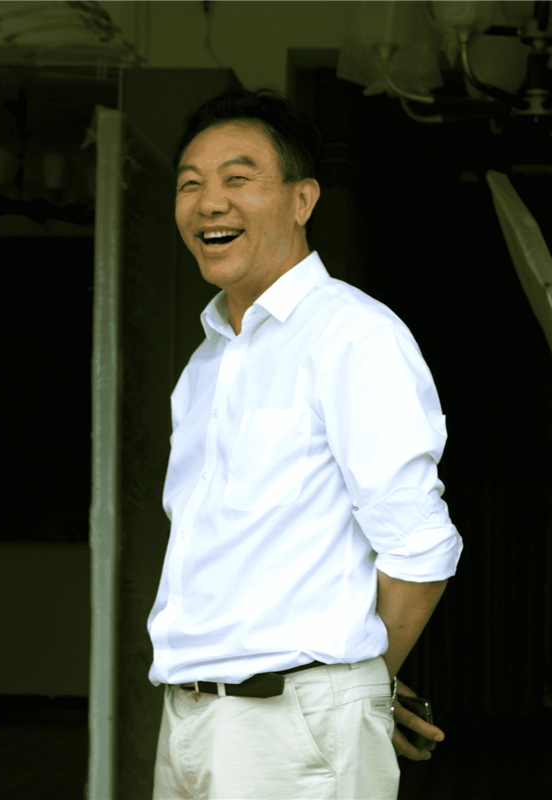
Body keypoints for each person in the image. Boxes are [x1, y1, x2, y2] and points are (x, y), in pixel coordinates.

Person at [147, 88, 463, 800]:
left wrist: (359, 689)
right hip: (190, 718)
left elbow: (420, 547)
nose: (209, 202)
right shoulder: (205, 364)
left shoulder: (352, 336)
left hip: (292, 726)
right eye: (190, 185)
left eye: (238, 179)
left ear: (302, 200)